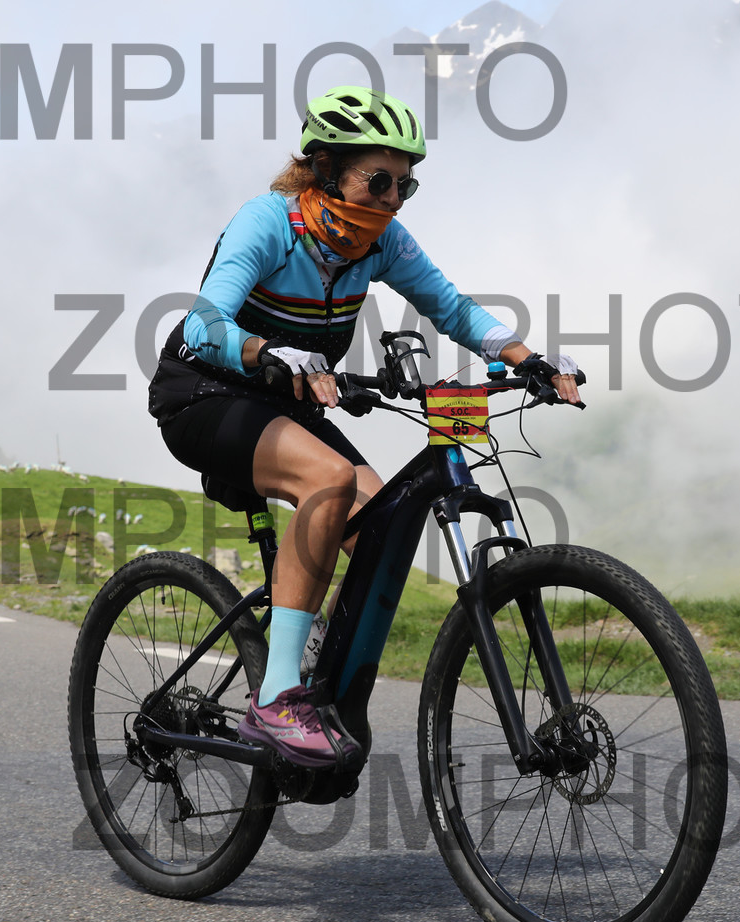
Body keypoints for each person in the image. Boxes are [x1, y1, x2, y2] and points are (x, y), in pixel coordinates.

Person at [148, 86, 579, 768]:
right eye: (379, 181)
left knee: (384, 524)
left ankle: (322, 675)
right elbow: (202, 325)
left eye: (405, 186)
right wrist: (267, 351)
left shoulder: (381, 241)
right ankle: (276, 700)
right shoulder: (269, 222)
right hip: (204, 393)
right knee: (328, 478)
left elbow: (453, 309)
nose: (393, 199)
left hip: (290, 404)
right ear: (325, 169)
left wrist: (529, 358)